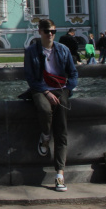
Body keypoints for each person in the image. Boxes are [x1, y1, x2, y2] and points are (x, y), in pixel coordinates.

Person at [24, 19, 79, 192]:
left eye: (53, 32)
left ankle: (60, 175)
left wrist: (68, 90)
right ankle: (46, 135)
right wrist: (46, 92)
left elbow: (73, 72)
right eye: (47, 31)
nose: (50, 34)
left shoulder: (63, 50)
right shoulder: (32, 51)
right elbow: (31, 78)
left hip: (60, 88)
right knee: (44, 109)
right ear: (40, 32)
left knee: (61, 130)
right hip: (40, 89)